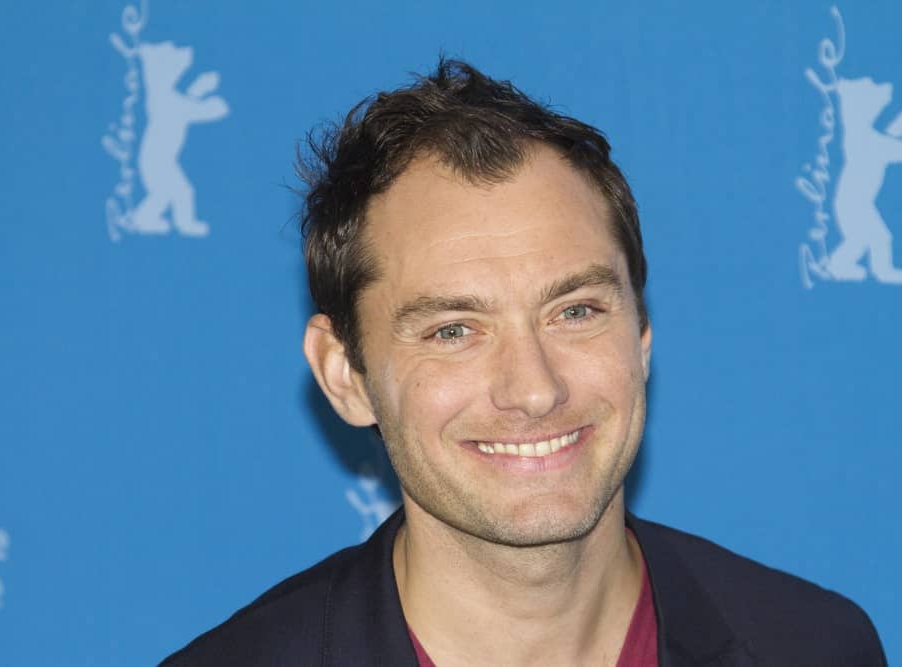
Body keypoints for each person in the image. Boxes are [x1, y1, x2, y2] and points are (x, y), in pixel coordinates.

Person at [162, 59, 886, 666]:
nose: (535, 389)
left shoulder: (816, 645)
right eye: (453, 329)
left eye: (575, 311)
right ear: (344, 374)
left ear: (641, 334)